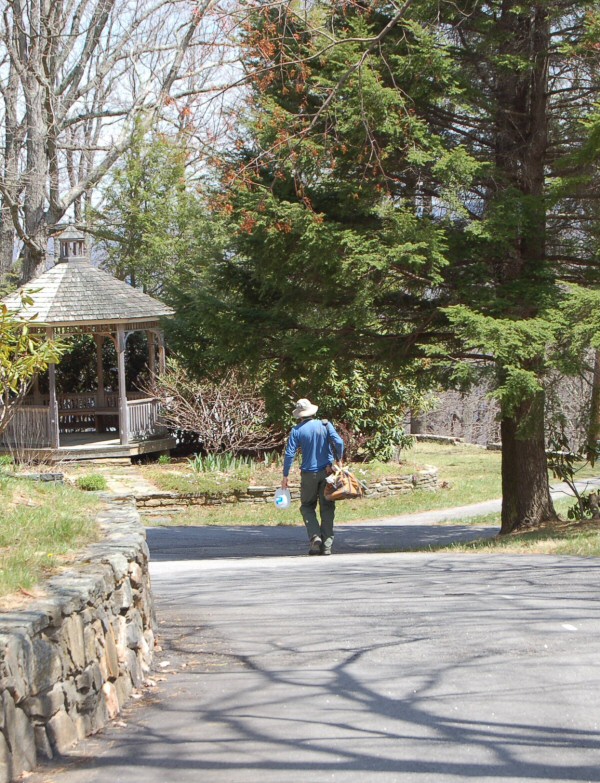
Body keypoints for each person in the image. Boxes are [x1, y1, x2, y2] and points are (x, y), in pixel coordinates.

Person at [281, 398, 345, 556]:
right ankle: (327, 546)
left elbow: (289, 454)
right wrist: (339, 460)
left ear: (299, 415)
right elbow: (339, 442)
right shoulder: (325, 425)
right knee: (327, 507)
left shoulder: (296, 431)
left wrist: (285, 475)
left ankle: (315, 536)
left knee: (307, 506)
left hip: (308, 475)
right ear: (312, 411)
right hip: (328, 472)